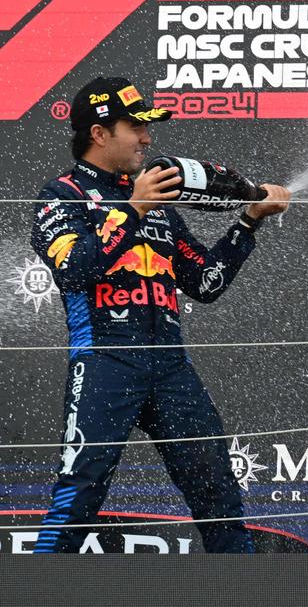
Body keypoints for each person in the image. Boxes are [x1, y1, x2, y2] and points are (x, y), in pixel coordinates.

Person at [30, 76, 290, 553]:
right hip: (106, 362)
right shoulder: (59, 195)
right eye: (136, 127)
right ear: (99, 133)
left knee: (220, 499)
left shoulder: (159, 204)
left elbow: (205, 283)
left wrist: (248, 222)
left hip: (171, 367)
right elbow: (73, 270)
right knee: (77, 501)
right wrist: (131, 210)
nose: (148, 139)